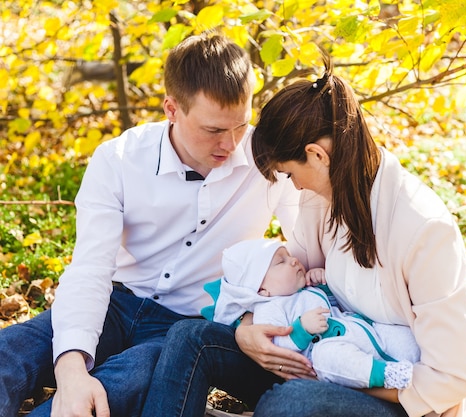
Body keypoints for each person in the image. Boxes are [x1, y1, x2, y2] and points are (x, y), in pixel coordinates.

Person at [0, 33, 300, 417]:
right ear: (172, 109)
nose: (231, 143)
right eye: (213, 130)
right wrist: (72, 367)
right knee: (10, 354)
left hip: (182, 328)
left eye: (240, 126)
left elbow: (308, 247)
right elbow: (91, 268)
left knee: (121, 385)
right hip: (113, 302)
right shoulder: (119, 159)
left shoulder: (270, 162)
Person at [244, 54, 466, 417]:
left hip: (406, 401)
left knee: (288, 403)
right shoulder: (320, 200)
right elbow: (288, 278)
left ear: (316, 155)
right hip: (331, 358)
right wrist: (247, 330)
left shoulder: (423, 229)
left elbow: (451, 379)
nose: (293, 185)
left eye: (288, 173)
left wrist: (346, 376)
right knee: (195, 340)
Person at [203, 238, 420, 391]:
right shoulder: (269, 309)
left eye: (289, 256)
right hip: (324, 353)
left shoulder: (306, 290)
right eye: (281, 262)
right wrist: (301, 330)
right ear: (262, 290)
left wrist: (325, 284)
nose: (294, 260)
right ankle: (388, 375)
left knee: (400, 335)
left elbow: (336, 305)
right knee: (330, 358)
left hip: (363, 332)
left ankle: (422, 360)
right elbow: (277, 345)